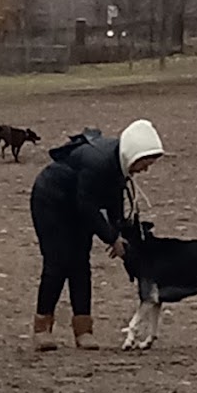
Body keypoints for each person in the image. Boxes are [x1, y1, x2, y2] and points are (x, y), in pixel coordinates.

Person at [29, 119, 164, 352]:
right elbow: (87, 205)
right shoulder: (98, 163)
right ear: (134, 155)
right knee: (57, 262)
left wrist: (119, 232)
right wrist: (111, 238)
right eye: (145, 163)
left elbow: (113, 202)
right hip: (51, 202)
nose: (145, 169)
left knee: (80, 264)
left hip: (79, 205)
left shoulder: (119, 164)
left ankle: (83, 329)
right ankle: (43, 327)